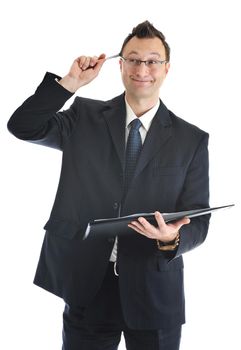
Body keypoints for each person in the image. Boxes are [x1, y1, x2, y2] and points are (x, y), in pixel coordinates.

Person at [7, 20, 210, 350]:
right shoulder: (83, 117)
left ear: (166, 68)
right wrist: (70, 83)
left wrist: (173, 238)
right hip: (89, 287)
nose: (142, 68)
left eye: (152, 60)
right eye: (132, 58)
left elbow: (200, 219)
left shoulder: (191, 140)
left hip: (155, 293)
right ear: (121, 64)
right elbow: (23, 127)